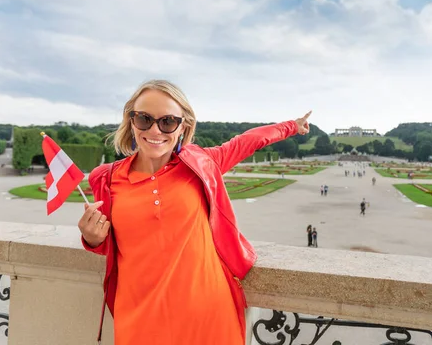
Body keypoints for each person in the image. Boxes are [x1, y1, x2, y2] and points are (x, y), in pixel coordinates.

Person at [77, 80, 312, 344]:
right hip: (139, 314)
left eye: (167, 122)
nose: (155, 130)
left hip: (208, 311)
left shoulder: (200, 164)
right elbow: (108, 242)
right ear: (131, 121)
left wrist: (292, 126)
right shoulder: (105, 179)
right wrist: (92, 238)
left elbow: (247, 141)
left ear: (183, 126)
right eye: (144, 119)